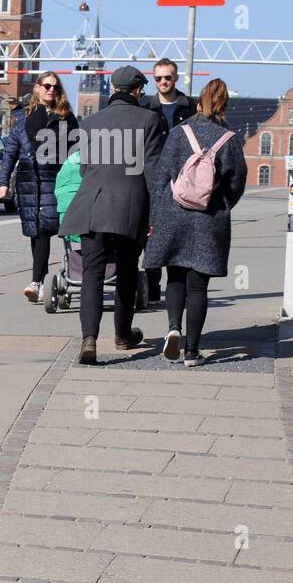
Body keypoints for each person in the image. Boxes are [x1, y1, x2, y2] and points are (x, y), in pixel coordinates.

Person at [58, 65, 167, 365]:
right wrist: (156, 215)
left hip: (91, 204)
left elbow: (83, 168)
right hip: (128, 209)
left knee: (92, 272)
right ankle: (122, 334)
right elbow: (152, 172)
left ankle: (89, 340)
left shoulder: (90, 122)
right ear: (136, 90)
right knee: (126, 272)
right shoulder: (149, 119)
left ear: (114, 89)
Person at [144, 79, 248, 366]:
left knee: (174, 276)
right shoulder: (230, 140)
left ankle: (173, 329)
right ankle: (192, 351)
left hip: (172, 214)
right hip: (208, 219)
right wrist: (221, 204)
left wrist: (157, 214)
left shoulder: (179, 133)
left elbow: (160, 175)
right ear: (224, 105)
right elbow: (236, 183)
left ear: (199, 103)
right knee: (198, 287)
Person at [0, 71, 79, 303]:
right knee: (35, 231)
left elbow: (76, 151)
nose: (51, 90)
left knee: (44, 228)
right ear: (37, 88)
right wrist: (3, 182)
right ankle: (41, 281)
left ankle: (36, 281)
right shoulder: (22, 117)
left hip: (54, 180)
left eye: (55, 86)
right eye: (46, 85)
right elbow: (10, 151)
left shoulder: (66, 118)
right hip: (28, 182)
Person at [140, 58, 198, 303]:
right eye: (158, 78)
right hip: (152, 178)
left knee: (180, 233)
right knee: (151, 232)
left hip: (184, 179)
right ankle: (152, 285)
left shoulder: (191, 107)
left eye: (168, 77)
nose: (163, 82)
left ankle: (178, 285)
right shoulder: (145, 107)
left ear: (175, 78)